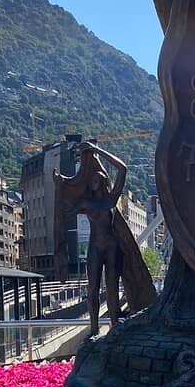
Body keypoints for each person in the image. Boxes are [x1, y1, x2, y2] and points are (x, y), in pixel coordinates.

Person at [54, 141, 155, 335]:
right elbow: (65, 213)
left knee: (112, 288)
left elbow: (122, 169)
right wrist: (59, 187)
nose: (93, 181)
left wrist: (97, 150)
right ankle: (93, 329)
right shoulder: (86, 202)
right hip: (95, 248)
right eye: (91, 180)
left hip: (112, 247)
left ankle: (115, 326)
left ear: (103, 181)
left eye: (97, 179)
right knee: (92, 289)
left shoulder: (111, 199)